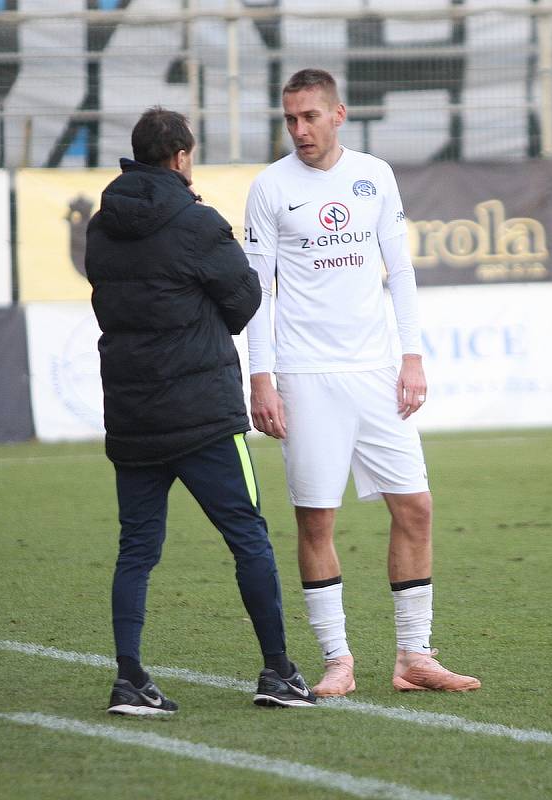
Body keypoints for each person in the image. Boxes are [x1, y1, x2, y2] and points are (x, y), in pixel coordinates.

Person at [244, 69, 481, 695]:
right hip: (305, 375)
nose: (299, 130)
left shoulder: (375, 174)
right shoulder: (269, 188)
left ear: (338, 113)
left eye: (309, 117)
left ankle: (413, 658)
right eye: (289, 118)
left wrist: (412, 357)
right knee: (316, 520)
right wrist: (260, 377)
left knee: (416, 507)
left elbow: (398, 270)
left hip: (378, 373)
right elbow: (258, 294)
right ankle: (338, 660)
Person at [85, 106, 315, 714]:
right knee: (249, 540)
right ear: (183, 156)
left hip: (132, 413)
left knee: (136, 548)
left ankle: (129, 677)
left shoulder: (100, 227)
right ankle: (279, 672)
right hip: (203, 414)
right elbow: (243, 303)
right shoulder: (198, 222)